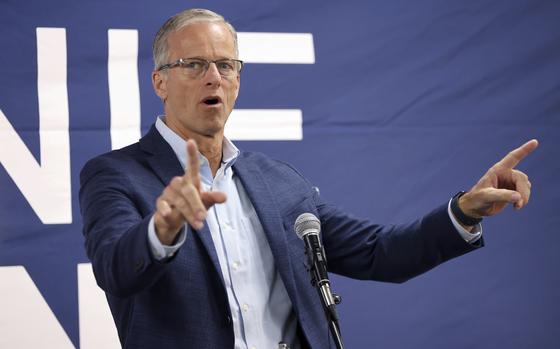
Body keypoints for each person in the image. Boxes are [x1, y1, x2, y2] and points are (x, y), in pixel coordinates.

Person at [79, 8, 538, 349]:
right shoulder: (116, 175)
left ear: (239, 79)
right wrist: (162, 229)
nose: (213, 78)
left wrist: (464, 210)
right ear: (159, 81)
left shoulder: (278, 181)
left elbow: (382, 253)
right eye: (194, 65)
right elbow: (115, 269)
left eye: (226, 65)